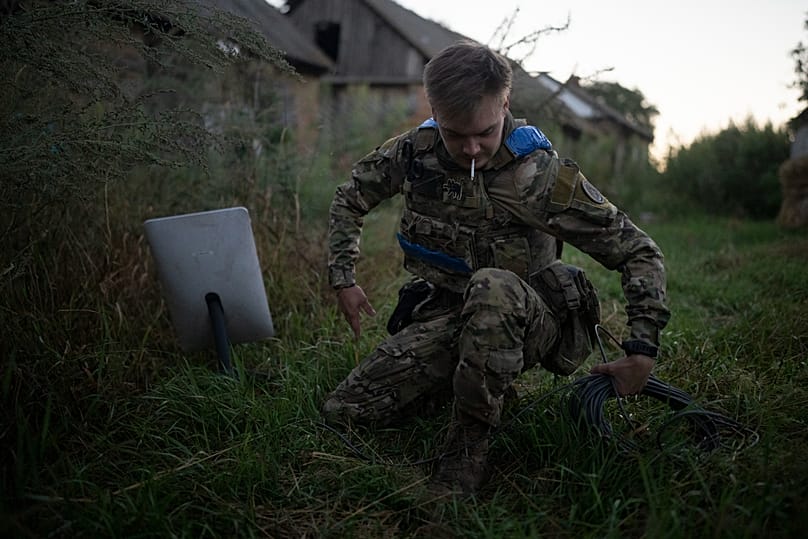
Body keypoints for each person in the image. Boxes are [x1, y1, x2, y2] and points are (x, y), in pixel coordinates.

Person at [322, 40, 669, 495]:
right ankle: (473, 382)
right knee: (345, 411)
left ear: (505, 103)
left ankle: (469, 448)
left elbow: (638, 251)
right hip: (452, 313)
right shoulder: (414, 153)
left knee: (493, 287)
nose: (470, 148)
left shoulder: (538, 176)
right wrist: (343, 279)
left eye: (484, 132)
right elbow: (351, 196)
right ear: (434, 112)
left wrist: (642, 350)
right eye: (454, 133)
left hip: (531, 319)